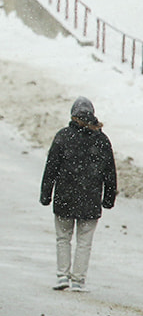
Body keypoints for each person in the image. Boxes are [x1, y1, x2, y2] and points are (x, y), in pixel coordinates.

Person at [40, 97, 116, 292]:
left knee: (63, 238)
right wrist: (108, 198)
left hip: (65, 196)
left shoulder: (63, 136)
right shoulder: (101, 140)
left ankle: (62, 275)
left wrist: (46, 194)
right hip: (90, 198)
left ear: (72, 115)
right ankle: (78, 280)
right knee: (84, 241)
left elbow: (51, 169)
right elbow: (110, 172)